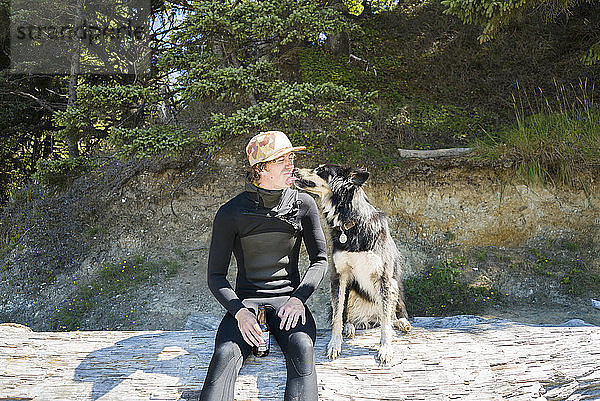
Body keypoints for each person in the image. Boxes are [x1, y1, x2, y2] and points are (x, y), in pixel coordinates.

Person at [200, 130, 328, 401]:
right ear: (260, 168)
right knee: (224, 355)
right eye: (282, 159)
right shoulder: (231, 213)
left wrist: (298, 299)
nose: (291, 164)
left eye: (291, 157)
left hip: (290, 304)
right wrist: (239, 312)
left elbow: (319, 261)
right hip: (246, 305)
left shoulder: (304, 204)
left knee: (303, 348)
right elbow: (215, 276)